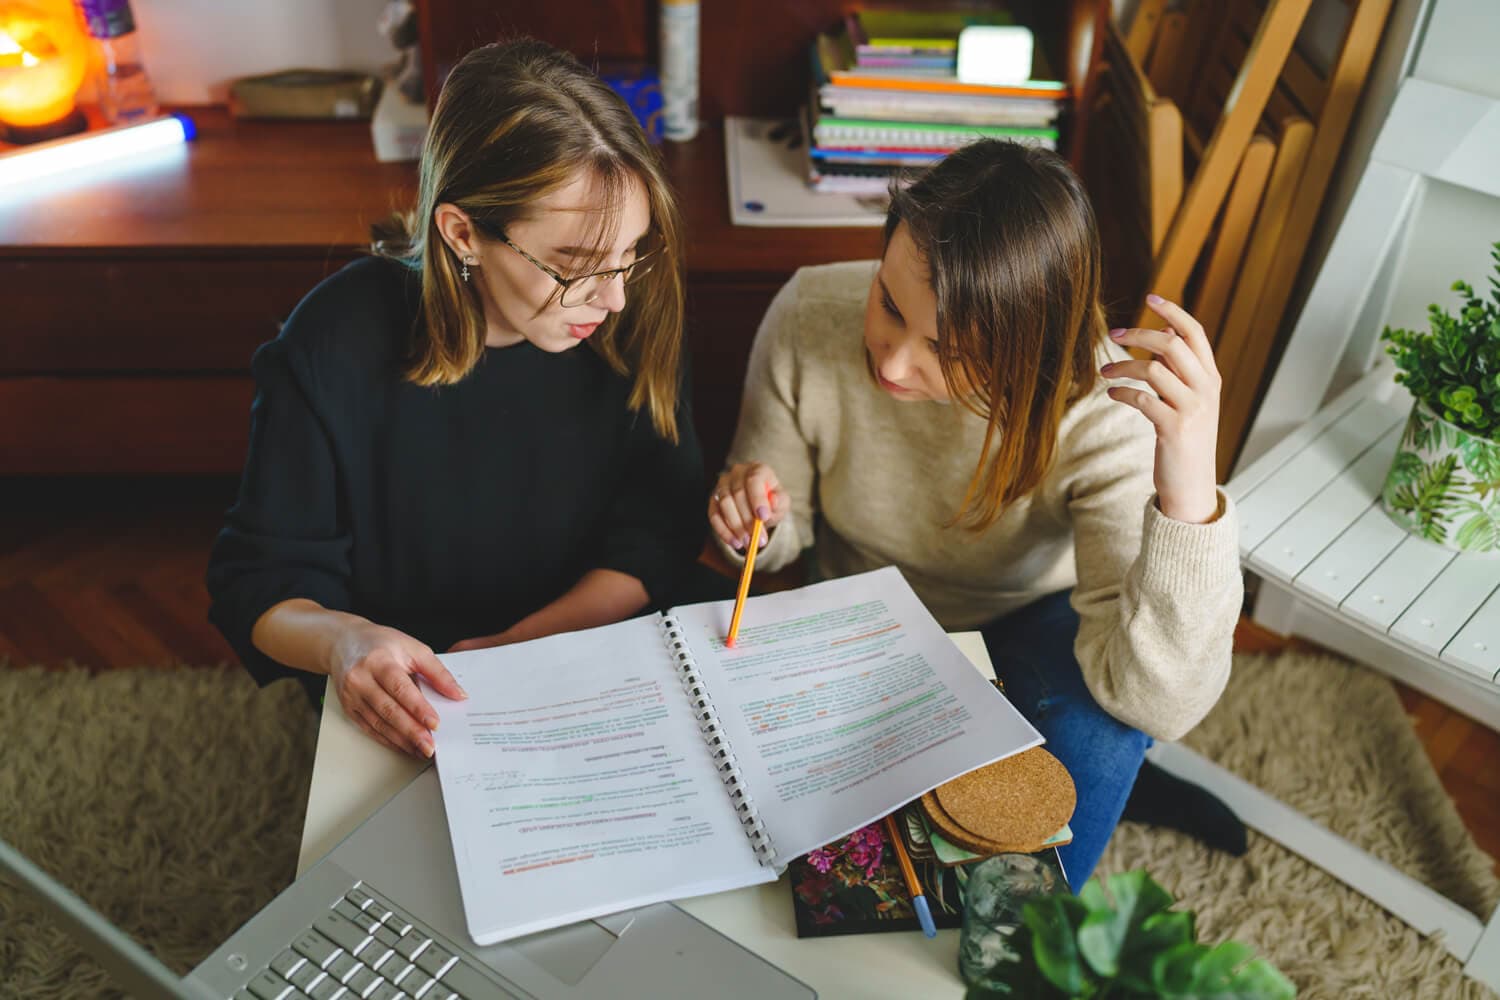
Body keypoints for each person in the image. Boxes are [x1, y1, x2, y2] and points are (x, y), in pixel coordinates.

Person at [708, 140, 1243, 885]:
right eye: (889, 303)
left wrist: (1188, 496)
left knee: (1105, 733)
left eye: (947, 350)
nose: (892, 363)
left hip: (1029, 628)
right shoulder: (809, 315)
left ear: (1031, 351)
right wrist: (752, 522)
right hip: (859, 616)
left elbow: (1155, 702)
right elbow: (780, 538)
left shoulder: (1103, 410)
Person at [207, 39, 703, 760]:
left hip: (592, 652)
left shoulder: (628, 309)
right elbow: (261, 580)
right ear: (462, 231)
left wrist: (521, 647)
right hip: (411, 696)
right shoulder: (330, 346)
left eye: (633, 251)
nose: (616, 294)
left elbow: (657, 528)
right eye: (574, 264)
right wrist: (347, 643)